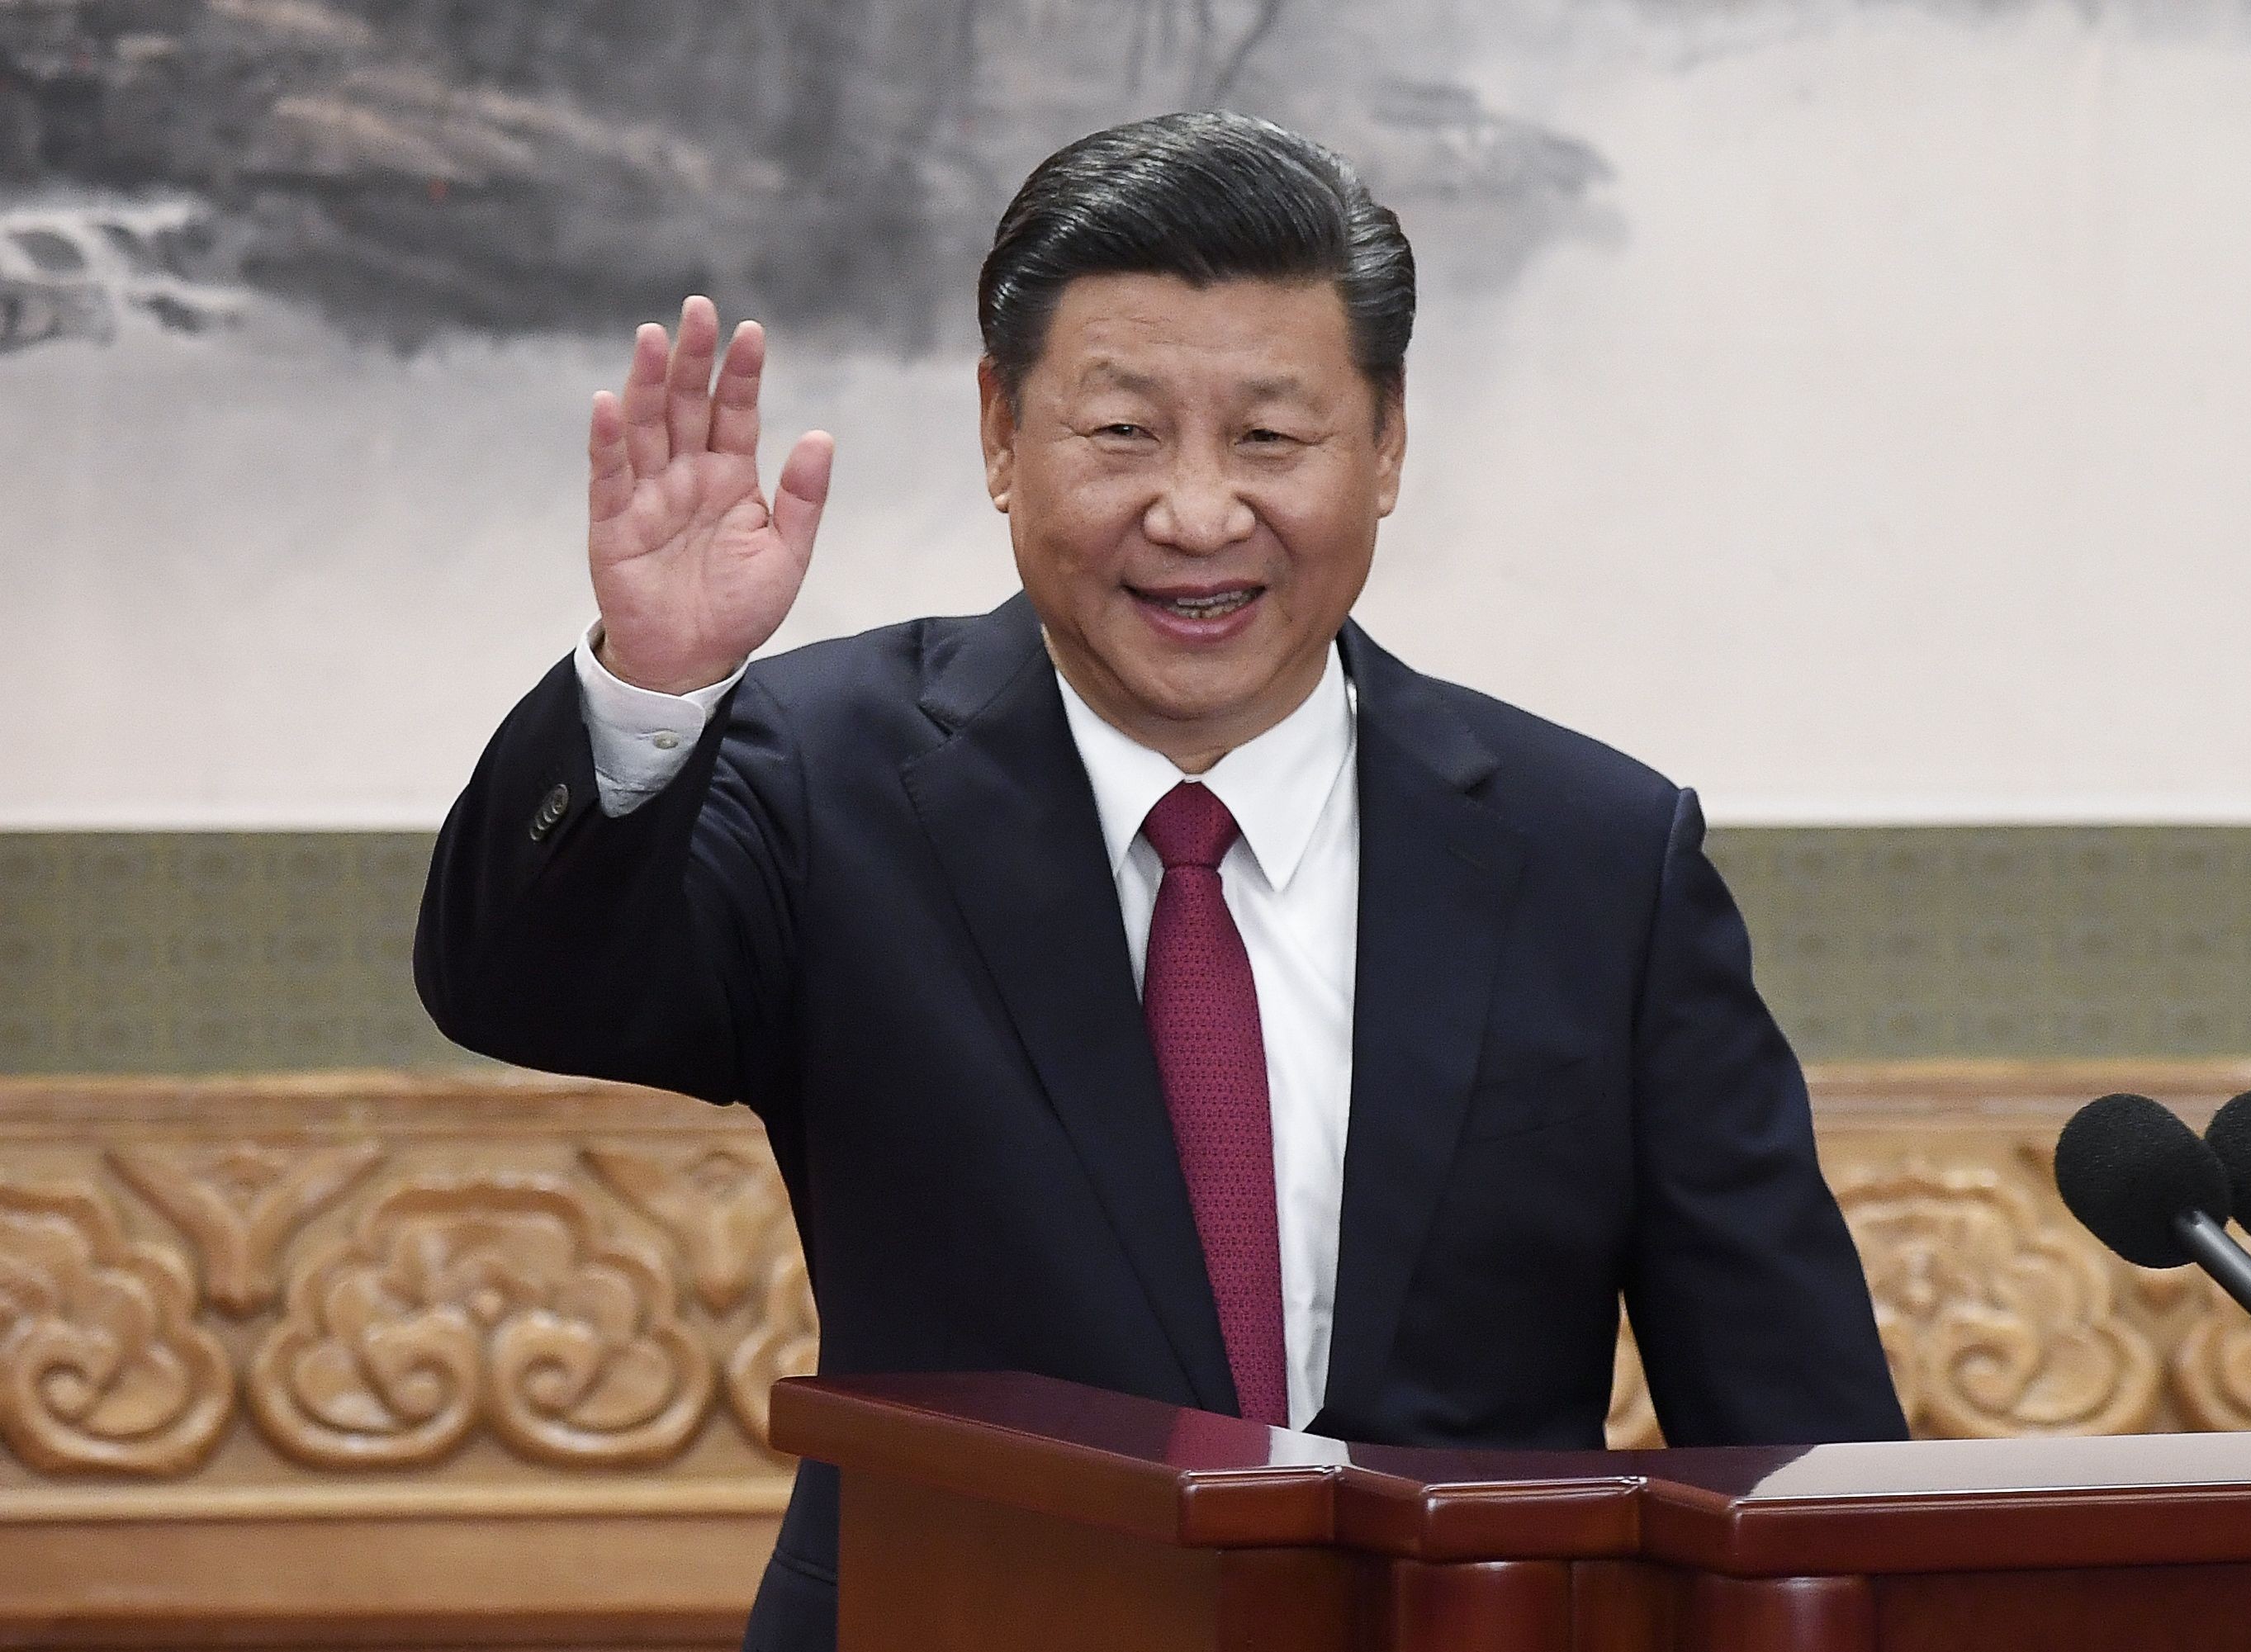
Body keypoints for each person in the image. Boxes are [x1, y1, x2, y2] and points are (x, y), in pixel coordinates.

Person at [415, 111, 1905, 1650]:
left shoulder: (1597, 854)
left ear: (1386, 443)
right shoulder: (825, 773)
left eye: (1271, 438)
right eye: (1121, 433)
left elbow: (1796, 1446)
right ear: (999, 431)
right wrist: (652, 686)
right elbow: (523, 984)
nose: (1198, 515)